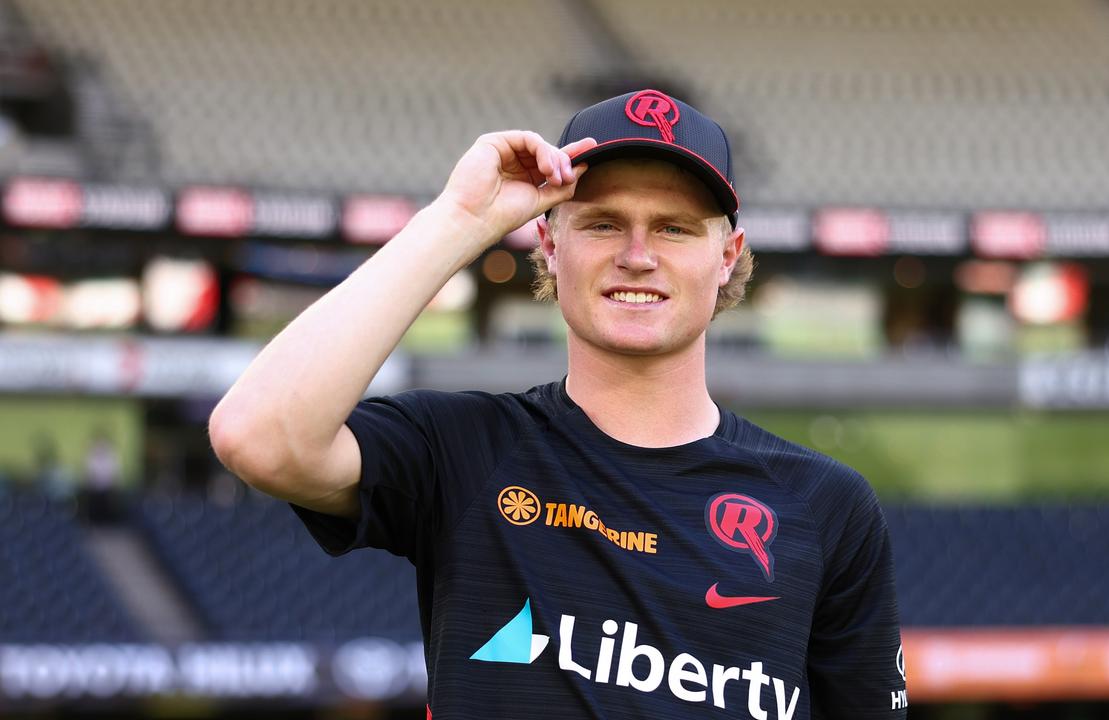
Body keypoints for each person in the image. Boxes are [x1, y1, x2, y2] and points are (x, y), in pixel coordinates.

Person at [210, 90, 907, 718]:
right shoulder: (467, 451)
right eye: (602, 224)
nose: (638, 255)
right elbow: (258, 438)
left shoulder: (824, 507)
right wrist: (456, 221)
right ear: (548, 242)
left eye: (674, 228)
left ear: (728, 255)